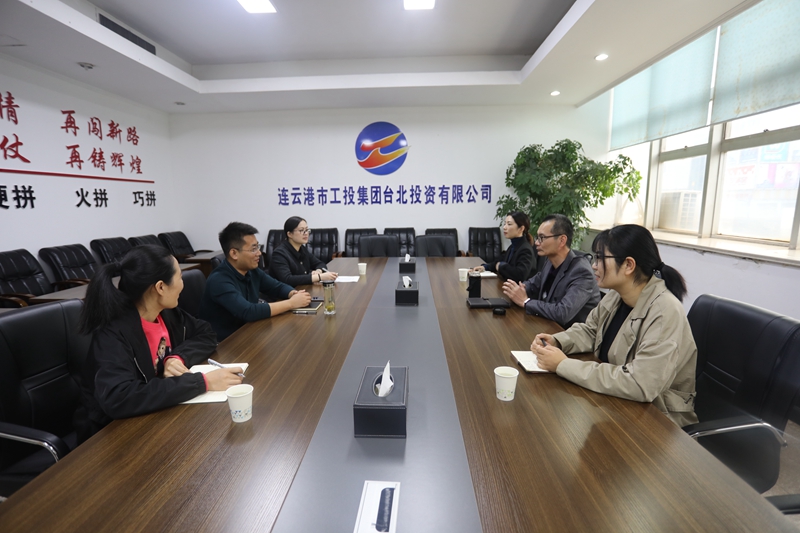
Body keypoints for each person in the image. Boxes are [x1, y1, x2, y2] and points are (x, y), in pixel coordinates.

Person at [530, 224, 698, 427]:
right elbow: (591, 331)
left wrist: (563, 365)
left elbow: (639, 383)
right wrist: (557, 341)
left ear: (628, 265)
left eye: (600, 258)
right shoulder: (617, 296)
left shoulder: (664, 312)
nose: (594, 265)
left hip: (657, 419)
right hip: (618, 403)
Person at [75, 245, 243, 443]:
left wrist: (177, 357)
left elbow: (206, 333)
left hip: (160, 416)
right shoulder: (113, 332)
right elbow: (119, 397)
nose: (182, 284)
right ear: (161, 287)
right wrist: (202, 382)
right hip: (115, 437)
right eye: (180, 277)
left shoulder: (166, 313)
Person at [200, 222, 312, 341]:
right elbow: (248, 311)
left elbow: (276, 286)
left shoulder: (251, 271)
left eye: (258, 247)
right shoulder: (219, 280)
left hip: (250, 332)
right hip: (225, 342)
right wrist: (291, 303)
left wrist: (293, 293)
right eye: (253, 249)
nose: (259, 253)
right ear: (234, 253)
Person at [502, 214, 600, 328]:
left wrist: (526, 301)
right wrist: (518, 289)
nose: (537, 242)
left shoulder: (581, 272)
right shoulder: (550, 262)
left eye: (542, 237)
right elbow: (532, 284)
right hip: (548, 326)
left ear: (562, 240)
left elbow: (562, 313)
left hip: (569, 334)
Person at [269, 216, 338, 286]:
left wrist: (318, 271)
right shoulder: (279, 254)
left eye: (307, 230)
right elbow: (287, 279)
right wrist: (319, 277)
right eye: (301, 230)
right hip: (286, 292)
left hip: (301, 288)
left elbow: (320, 264)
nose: (306, 233)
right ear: (289, 234)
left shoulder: (302, 249)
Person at [470, 212, 535, 282]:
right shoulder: (512, 246)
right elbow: (499, 261)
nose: (504, 227)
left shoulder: (525, 249)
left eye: (509, 224)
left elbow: (520, 275)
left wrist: (500, 266)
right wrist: (485, 267)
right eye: (504, 224)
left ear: (521, 228)